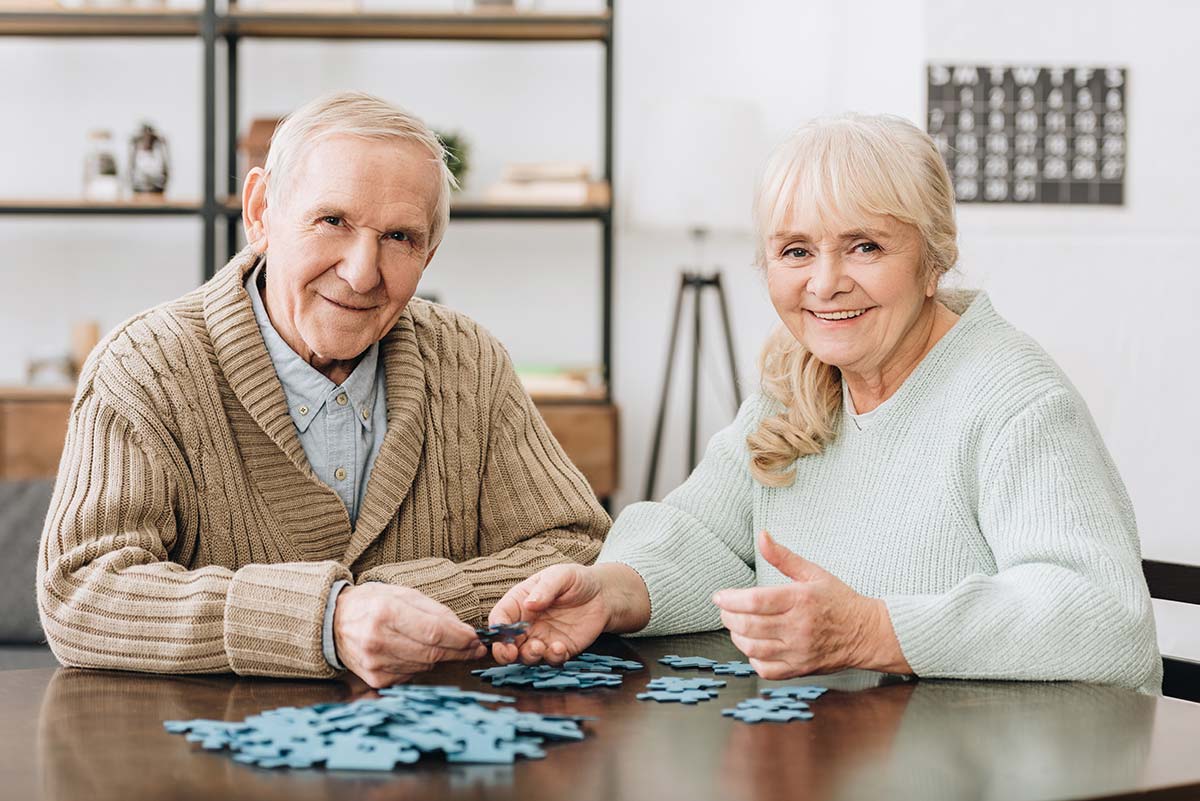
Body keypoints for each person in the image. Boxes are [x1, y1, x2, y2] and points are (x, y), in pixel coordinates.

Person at [489, 113, 1161, 693]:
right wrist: (609, 591)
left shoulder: (1015, 397)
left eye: (865, 245)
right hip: (851, 752)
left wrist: (873, 630)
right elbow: (706, 539)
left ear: (935, 258)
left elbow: (1103, 615)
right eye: (796, 250)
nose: (826, 282)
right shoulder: (798, 381)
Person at [37, 92, 609, 688]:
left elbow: (579, 553)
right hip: (213, 765)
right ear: (260, 211)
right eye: (333, 221)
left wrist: (388, 601)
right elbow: (80, 594)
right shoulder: (143, 366)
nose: (362, 273)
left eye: (399, 237)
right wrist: (328, 619)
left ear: (428, 254)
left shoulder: (470, 362)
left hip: (437, 762)